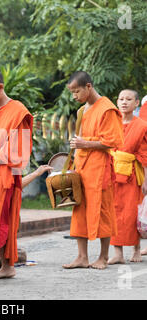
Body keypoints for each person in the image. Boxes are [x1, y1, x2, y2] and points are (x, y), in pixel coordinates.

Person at [0, 68, 43, 288]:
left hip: (4, 173)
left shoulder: (17, 111)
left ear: (1, 86)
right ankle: (8, 266)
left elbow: (17, 151)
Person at [62, 71, 124, 270]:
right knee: (79, 210)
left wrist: (84, 143)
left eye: (77, 91)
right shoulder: (82, 111)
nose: (75, 97)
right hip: (82, 167)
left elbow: (112, 142)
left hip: (100, 168)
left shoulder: (107, 109)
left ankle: (104, 257)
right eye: (72, 93)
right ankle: (82, 256)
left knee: (103, 210)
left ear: (88, 86)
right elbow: (80, 142)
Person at [107, 89, 147, 264]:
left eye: (129, 99)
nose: (124, 102)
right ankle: (117, 253)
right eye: (121, 99)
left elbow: (145, 155)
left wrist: (146, 179)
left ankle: (136, 249)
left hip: (132, 175)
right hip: (112, 174)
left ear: (136, 103)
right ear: (117, 102)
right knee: (113, 212)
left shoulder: (142, 126)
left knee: (132, 213)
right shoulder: (110, 123)